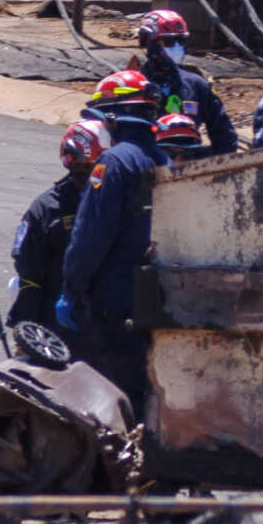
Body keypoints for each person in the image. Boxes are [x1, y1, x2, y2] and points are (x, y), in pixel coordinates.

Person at [60, 70, 166, 412]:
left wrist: (71, 289)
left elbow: (91, 233)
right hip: (155, 296)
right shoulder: (164, 160)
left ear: (112, 116)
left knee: (105, 394)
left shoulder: (114, 162)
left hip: (114, 299)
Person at [8, 119, 108, 329]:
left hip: (105, 316)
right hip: (57, 321)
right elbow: (28, 269)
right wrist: (27, 328)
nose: (89, 173)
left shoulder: (118, 203)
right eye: (83, 166)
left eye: (96, 166)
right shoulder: (46, 208)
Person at [135, 8, 237, 156]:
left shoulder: (196, 85)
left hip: (188, 167)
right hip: (147, 166)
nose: (177, 47)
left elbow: (225, 136)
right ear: (148, 42)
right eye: (169, 41)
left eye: (181, 41)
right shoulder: (133, 87)